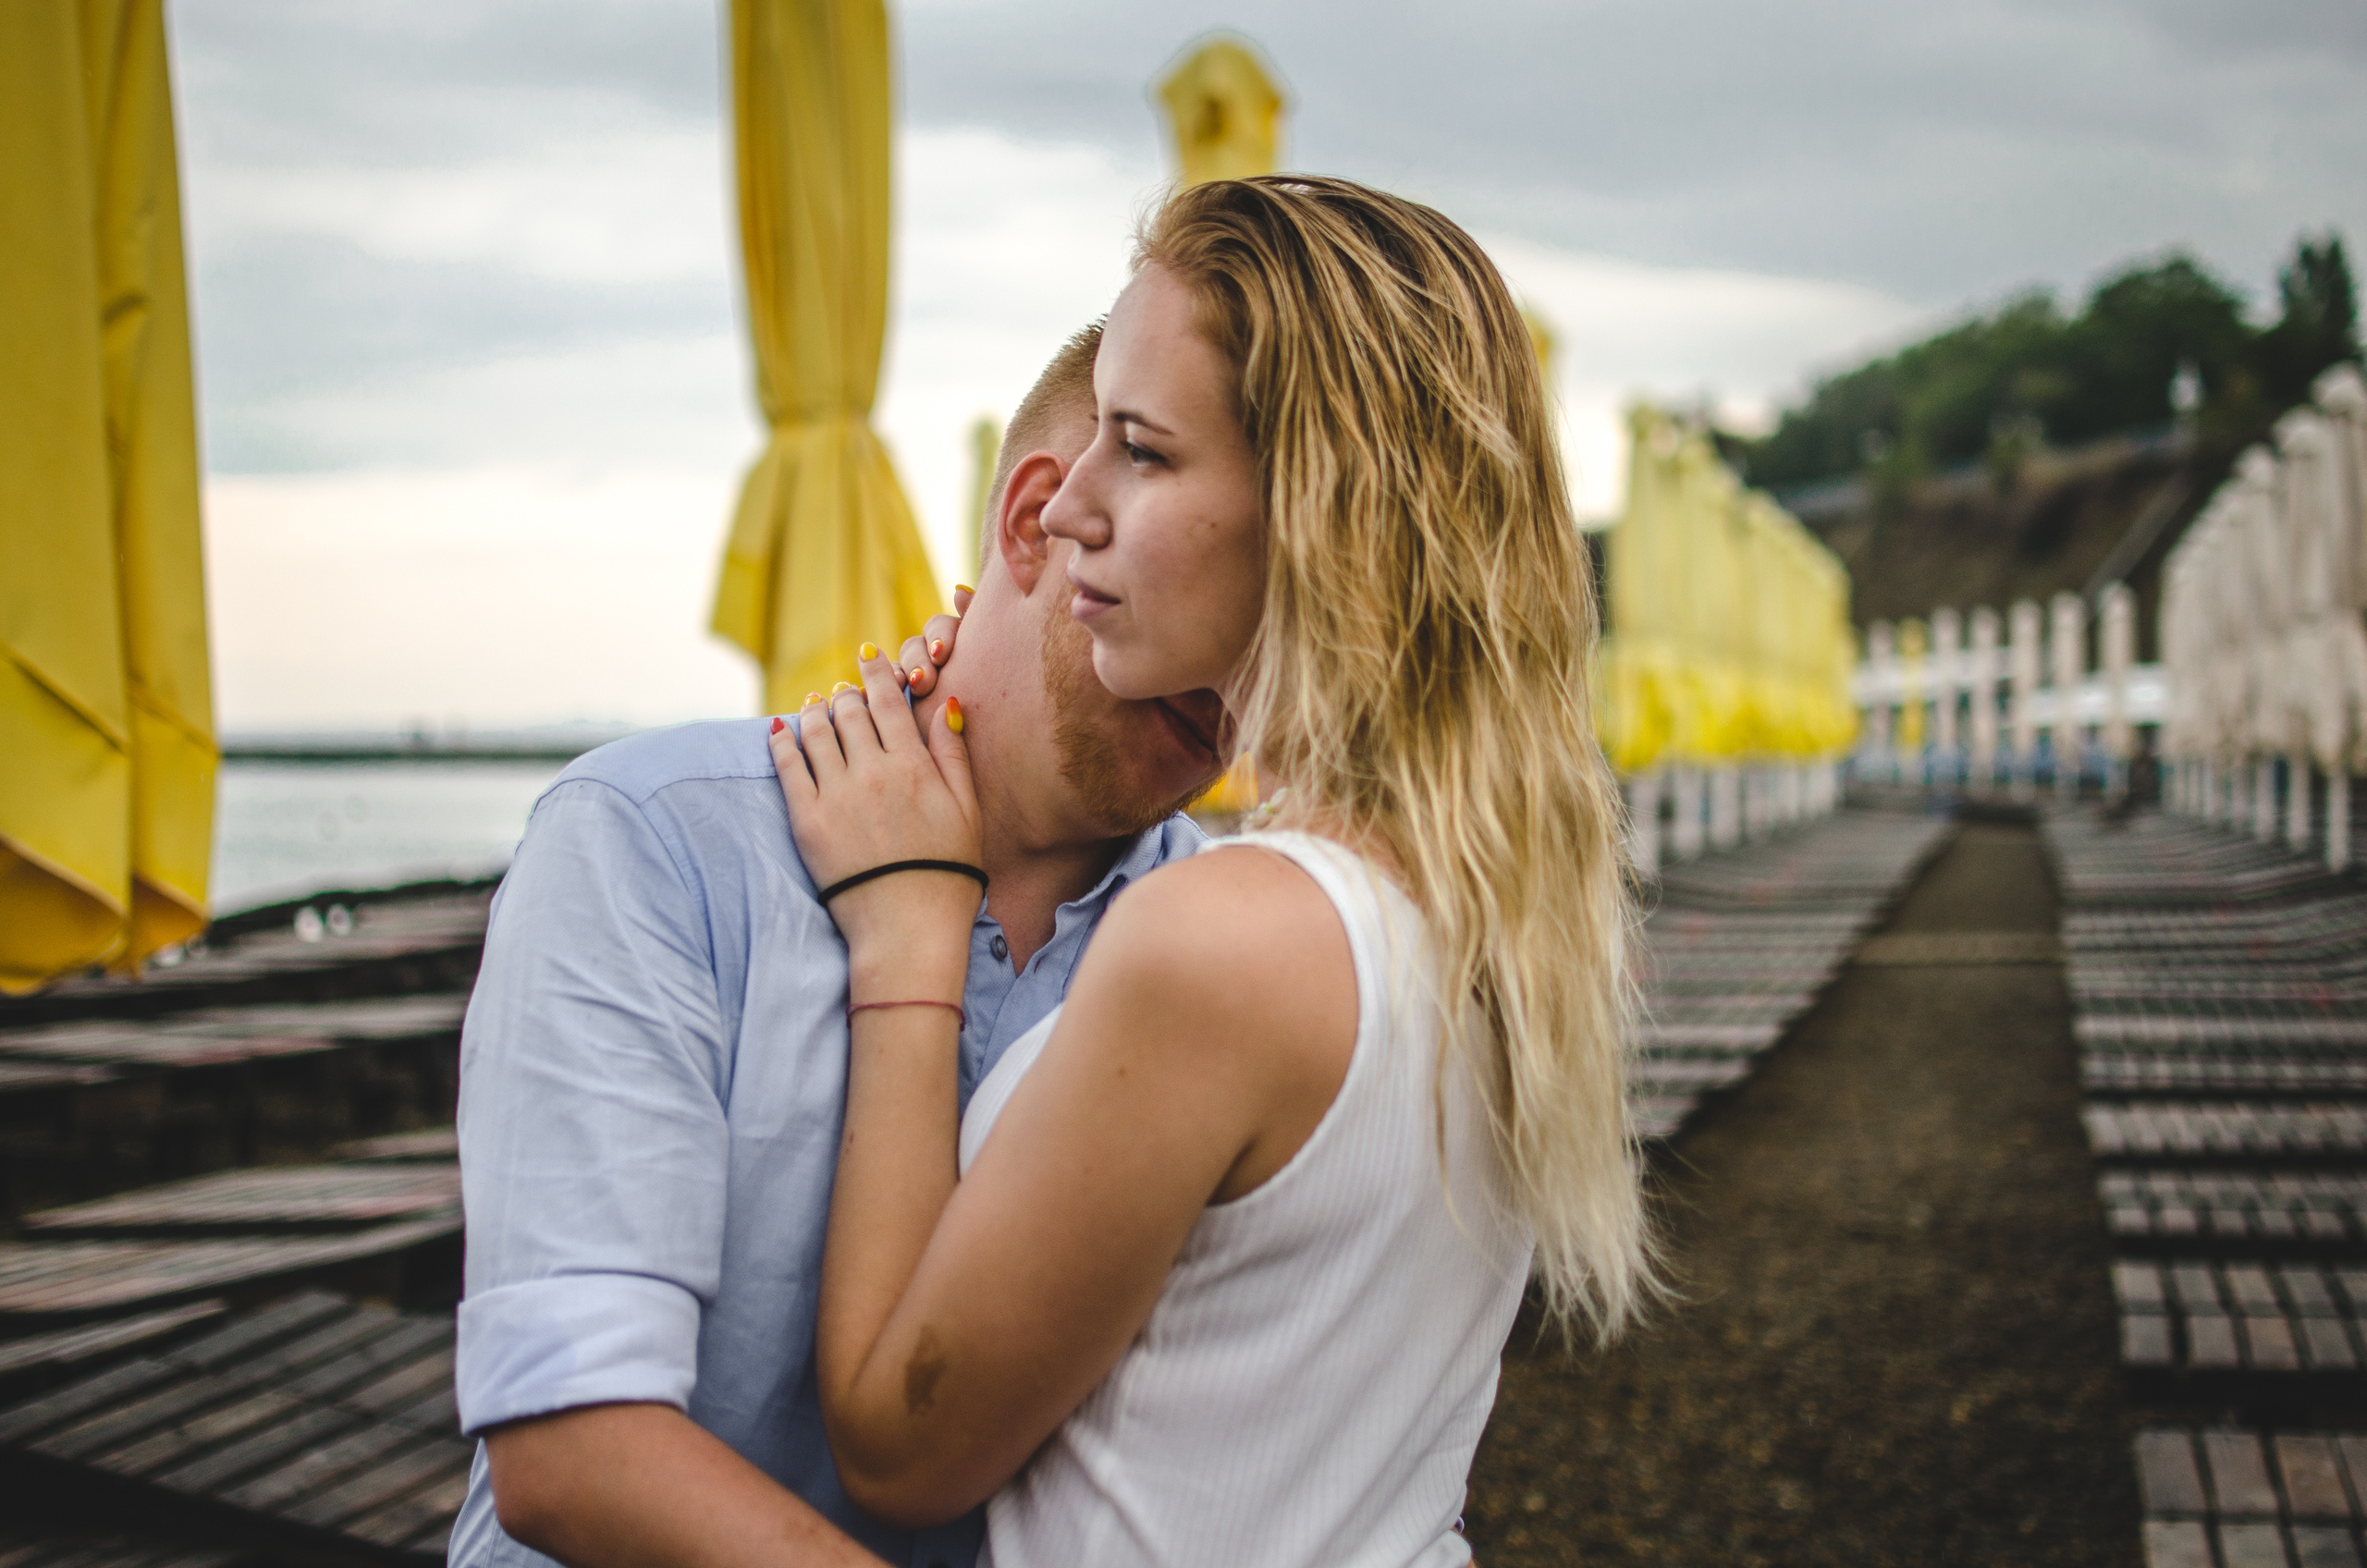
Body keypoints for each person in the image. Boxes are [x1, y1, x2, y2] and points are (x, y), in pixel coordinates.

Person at [772, 175, 1653, 1568]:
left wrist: (906, 937)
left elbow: (897, 1443)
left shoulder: (1226, 943)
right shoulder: (1506, 912)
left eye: (1141, 449)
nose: (1071, 510)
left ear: (1318, 505)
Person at [446, 325, 1230, 1568]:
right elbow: (569, 1444)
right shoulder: (657, 841)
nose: (1239, 669)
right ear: (1041, 519)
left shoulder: (1225, 946)